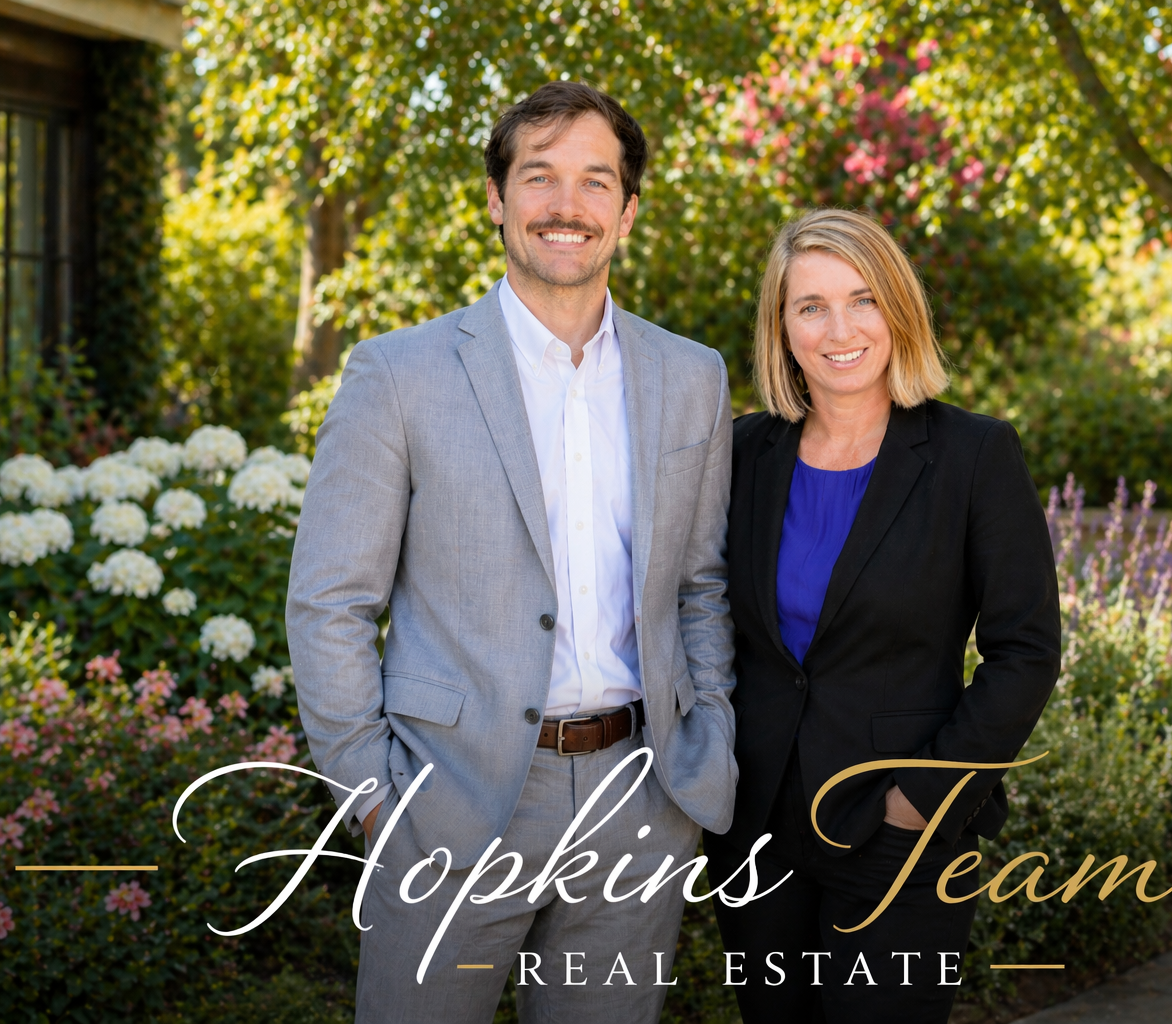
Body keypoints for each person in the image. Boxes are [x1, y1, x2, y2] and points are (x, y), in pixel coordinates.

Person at [286, 81, 737, 1024]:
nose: (567, 205)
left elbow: (700, 584)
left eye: (595, 181)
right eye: (540, 177)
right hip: (445, 802)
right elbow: (330, 600)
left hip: (638, 799)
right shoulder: (397, 374)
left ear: (627, 210)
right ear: (496, 199)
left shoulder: (691, 376)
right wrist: (373, 798)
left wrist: (707, 744)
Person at [705, 208, 1061, 1023]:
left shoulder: (973, 454)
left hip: (900, 833)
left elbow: (1026, 650)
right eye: (811, 306)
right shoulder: (741, 453)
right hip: (756, 830)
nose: (840, 329)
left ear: (898, 309)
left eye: (863, 299)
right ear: (782, 327)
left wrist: (920, 800)